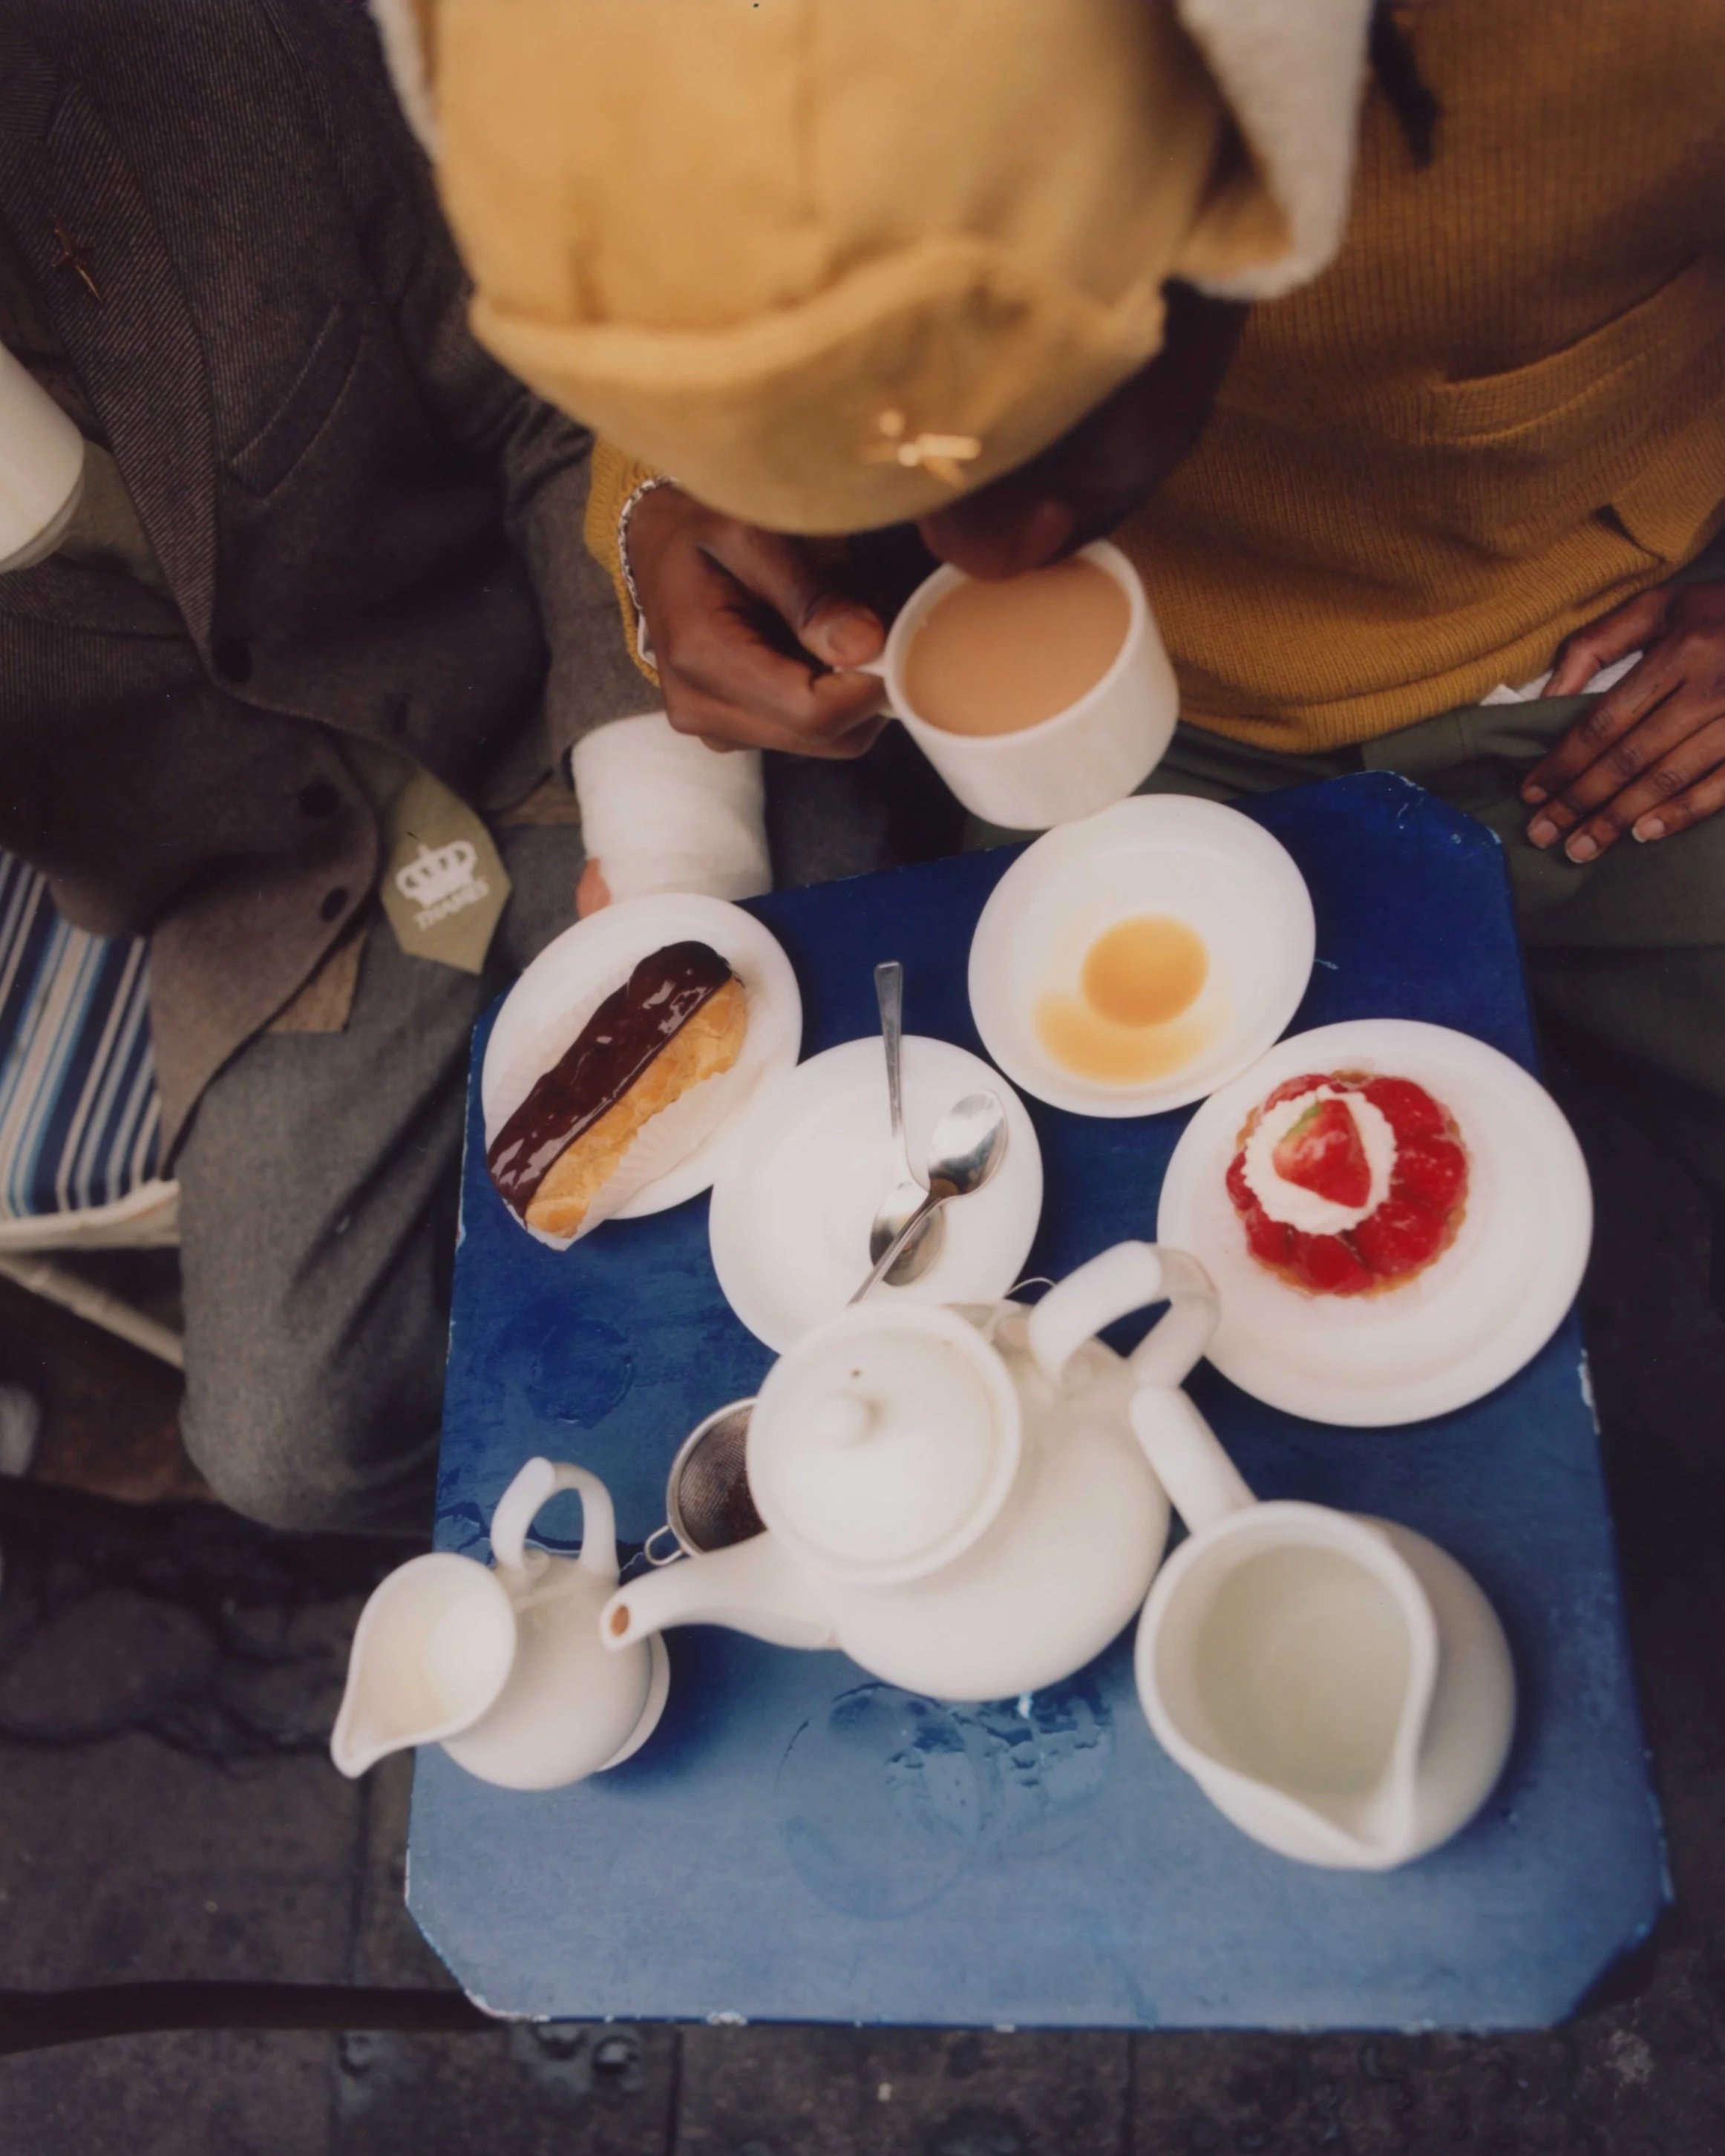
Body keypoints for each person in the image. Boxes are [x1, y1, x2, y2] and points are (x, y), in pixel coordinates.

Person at [407, 0, 1725, 1306]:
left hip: (1609, 652)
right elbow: (682, 204)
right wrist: (674, 485)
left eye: (1052, 438)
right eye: (908, 473)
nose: (972, 558)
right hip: (1158, 728)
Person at [0, 0, 776, 1533]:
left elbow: (550, 400)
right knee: (284, 1442)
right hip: (263, 891)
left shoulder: (197, 51)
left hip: (548, 682)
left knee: (793, 1133)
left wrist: (673, 842)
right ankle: (605, 1531)